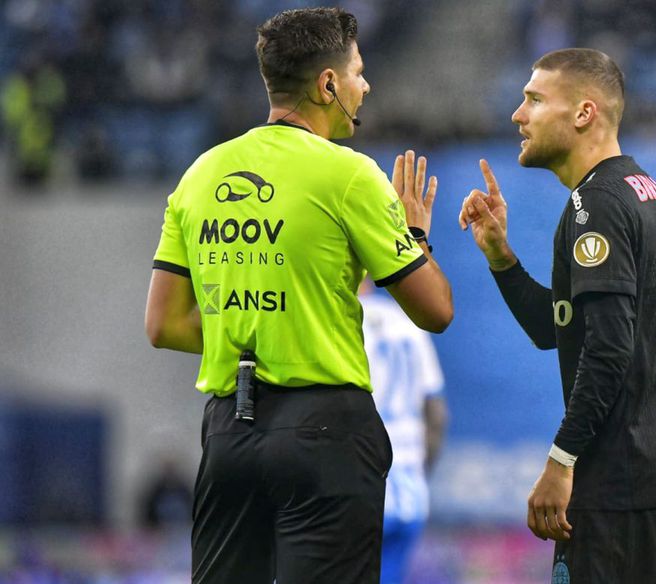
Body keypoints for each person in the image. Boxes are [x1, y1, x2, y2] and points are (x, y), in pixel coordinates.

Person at [144, 8, 453, 584]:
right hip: (326, 436)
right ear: (327, 84)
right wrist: (415, 235)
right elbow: (434, 310)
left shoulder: (200, 173)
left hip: (229, 434)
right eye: (357, 72)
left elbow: (163, 324)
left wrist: (259, 330)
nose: (366, 86)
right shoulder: (351, 176)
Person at [459, 48, 656, 583]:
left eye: (533, 99)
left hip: (625, 486)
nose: (517, 114)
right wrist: (501, 258)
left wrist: (562, 458)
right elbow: (555, 329)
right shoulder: (646, 192)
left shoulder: (595, 203)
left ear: (583, 114)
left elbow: (608, 350)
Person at [359, 280, 448, 584]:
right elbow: (436, 415)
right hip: (409, 491)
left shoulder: (334, 320)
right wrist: (419, 473)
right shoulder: (406, 321)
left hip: (356, 486)